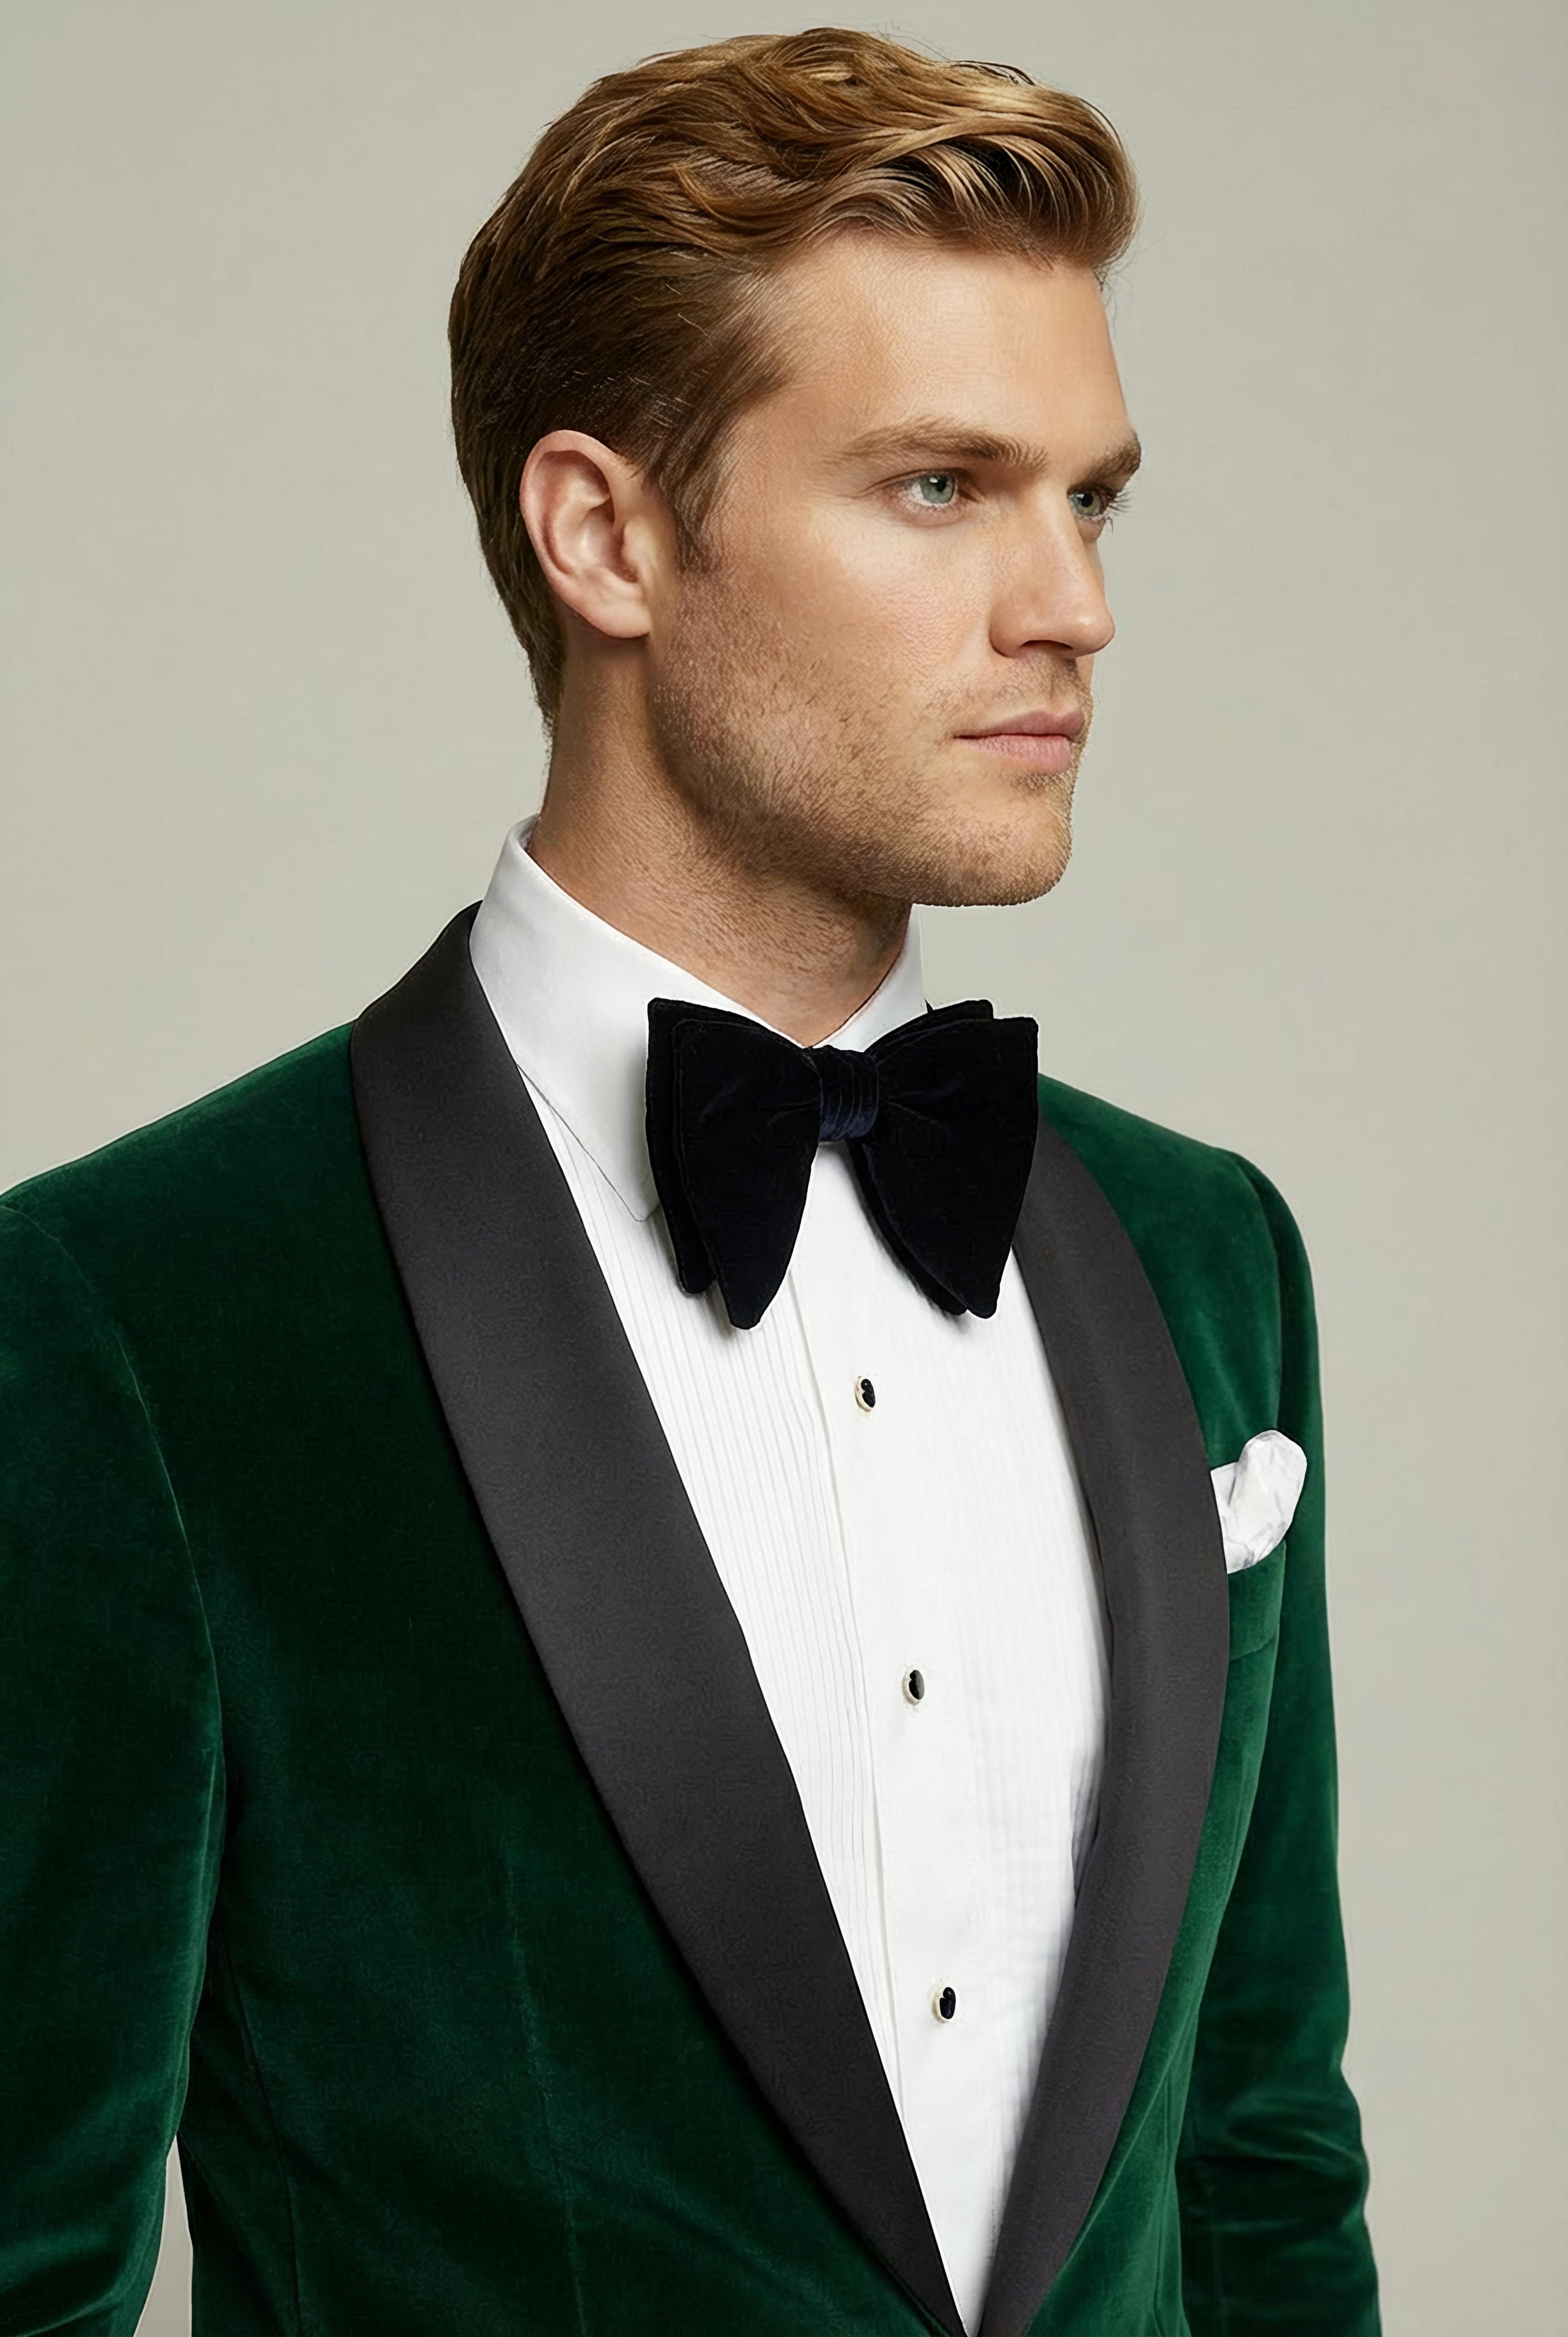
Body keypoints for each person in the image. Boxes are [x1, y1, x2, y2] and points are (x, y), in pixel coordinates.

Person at [0, 28, 1378, 2336]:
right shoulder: (130, 1317)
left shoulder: (1205, 1256)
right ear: (605, 535)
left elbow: (1260, 2164)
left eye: (1091, 498)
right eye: (939, 486)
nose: (1071, 604)